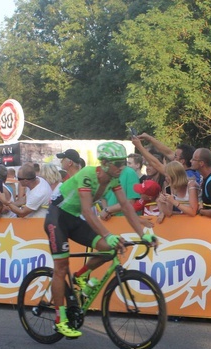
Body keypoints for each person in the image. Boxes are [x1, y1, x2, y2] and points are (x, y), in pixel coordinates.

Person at [44, 141, 156, 338]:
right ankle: (59, 318)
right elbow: (88, 211)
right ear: (104, 163)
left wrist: (143, 234)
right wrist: (108, 234)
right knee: (61, 266)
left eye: (124, 163)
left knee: (111, 248)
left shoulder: (114, 179)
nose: (122, 167)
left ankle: (80, 275)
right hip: (58, 217)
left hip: (75, 218)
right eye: (118, 163)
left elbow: (127, 207)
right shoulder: (88, 174)